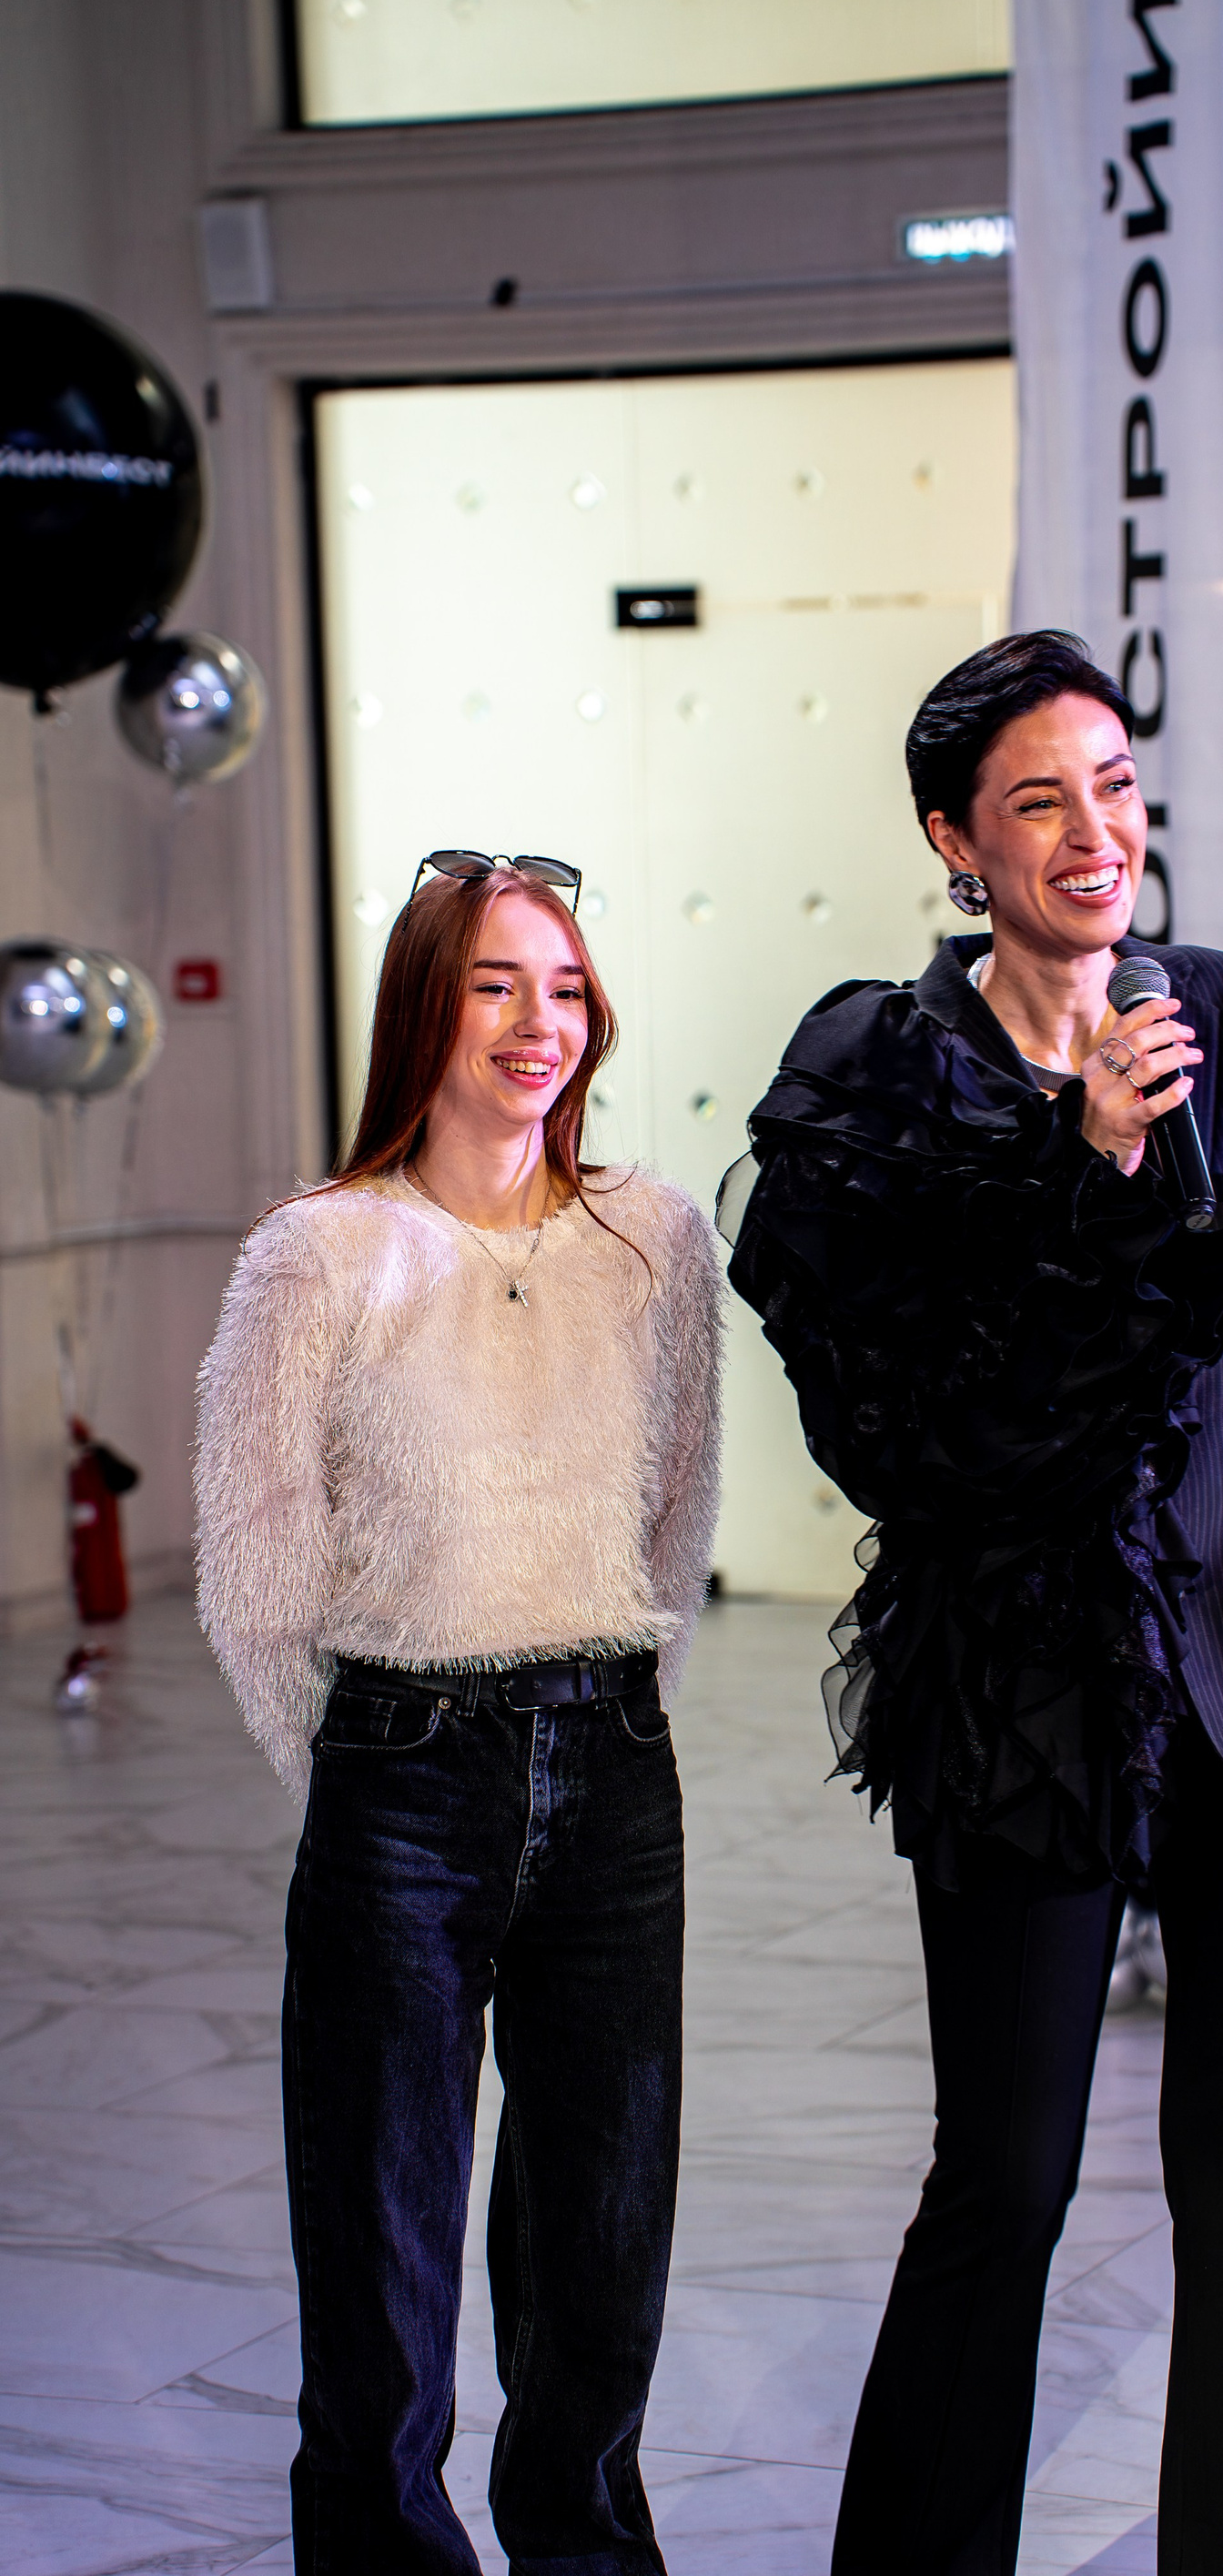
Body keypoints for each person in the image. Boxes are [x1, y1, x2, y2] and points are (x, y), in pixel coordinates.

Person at [721, 634, 1223, 2576]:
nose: (1096, 833)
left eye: (1116, 786)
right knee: (1002, 2184)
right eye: (1038, 801)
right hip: (1022, 1675)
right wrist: (1088, 1159)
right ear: (955, 842)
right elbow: (914, 1430)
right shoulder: (883, 1078)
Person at [195, 854, 722, 2575]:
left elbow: (677, 1511)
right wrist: (370, 1763)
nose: (535, 1023)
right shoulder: (317, 1253)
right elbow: (256, 1572)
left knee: (602, 2234)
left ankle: (582, 2551)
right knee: (381, 2235)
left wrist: (599, 1703)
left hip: (614, 1765)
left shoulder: (655, 1240)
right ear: (423, 1006)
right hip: (402, 1771)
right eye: (494, 984)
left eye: (562, 987)